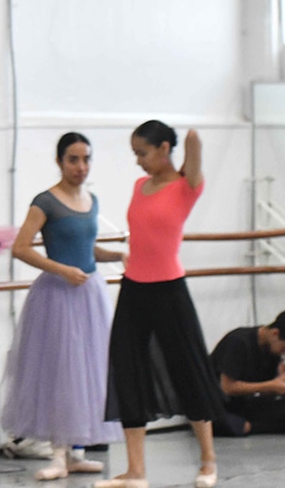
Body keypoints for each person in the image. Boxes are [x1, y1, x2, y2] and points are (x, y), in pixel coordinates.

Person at [97, 120, 225, 488]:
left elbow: (195, 141)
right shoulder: (140, 186)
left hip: (170, 290)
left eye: (142, 152)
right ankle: (136, 471)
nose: (137, 161)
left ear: (164, 149)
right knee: (127, 368)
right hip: (134, 289)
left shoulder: (188, 186)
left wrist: (187, 135)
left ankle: (208, 461)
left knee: (188, 368)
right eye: (135, 153)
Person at [0, 132, 123, 481]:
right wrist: (62, 270)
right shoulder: (46, 202)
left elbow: (88, 248)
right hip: (57, 296)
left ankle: (76, 451)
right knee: (59, 370)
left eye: (86, 159)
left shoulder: (91, 200)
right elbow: (21, 247)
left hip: (88, 294)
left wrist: (118, 255)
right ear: (59, 161)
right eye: (73, 159)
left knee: (88, 369)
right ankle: (57, 452)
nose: (81, 167)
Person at [209, 308, 285, 437]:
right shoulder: (239, 341)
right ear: (275, 333)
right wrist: (271, 385)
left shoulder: (271, 350)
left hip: (243, 405)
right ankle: (276, 427)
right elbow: (227, 387)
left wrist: (281, 378)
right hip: (215, 406)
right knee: (236, 425)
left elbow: (263, 392)